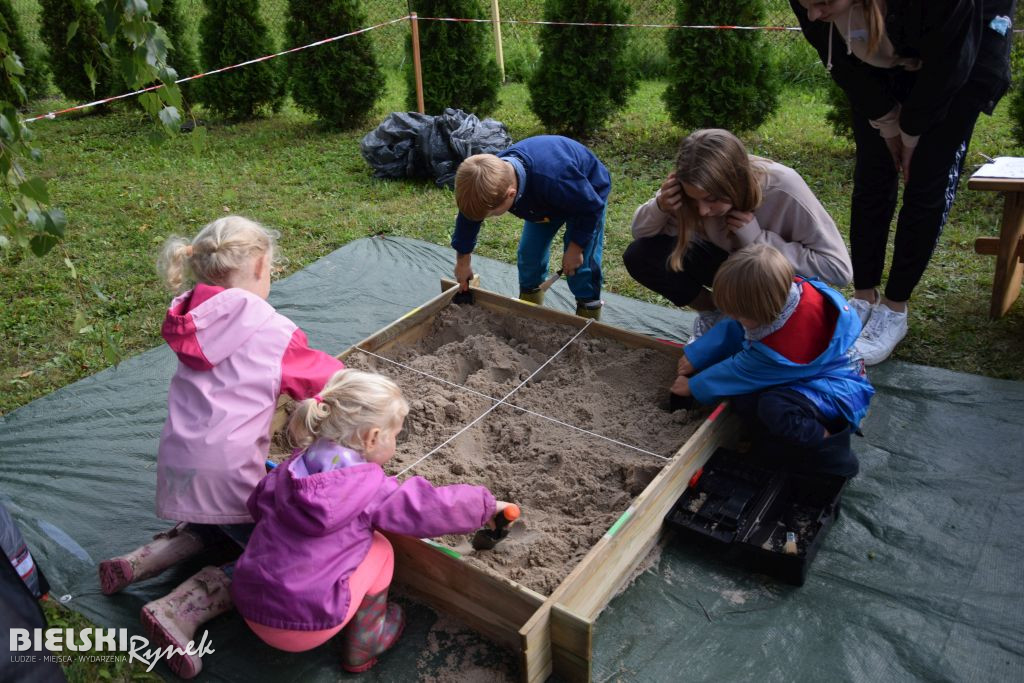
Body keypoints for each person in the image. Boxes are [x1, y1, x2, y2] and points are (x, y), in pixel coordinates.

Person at [97, 215, 345, 678]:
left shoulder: (190, 314)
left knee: (223, 513)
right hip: (228, 472)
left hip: (181, 461)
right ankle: (183, 608)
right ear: (259, 263)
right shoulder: (272, 331)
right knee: (276, 549)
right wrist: (361, 387)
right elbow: (325, 380)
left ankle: (146, 560)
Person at [230, 369, 513, 673]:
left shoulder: (287, 470)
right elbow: (428, 507)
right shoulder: (371, 490)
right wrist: (488, 505)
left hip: (248, 600)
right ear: (372, 438)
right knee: (380, 548)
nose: (396, 440)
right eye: (395, 434)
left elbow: (256, 507)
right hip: (307, 625)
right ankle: (367, 641)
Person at [790, 0, 1014, 364]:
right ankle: (863, 297)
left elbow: (950, 64)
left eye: (823, 3)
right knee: (872, 173)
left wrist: (911, 132)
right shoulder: (814, 6)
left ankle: (894, 308)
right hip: (879, 58)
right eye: (807, 5)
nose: (813, 13)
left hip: (959, 64)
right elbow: (841, 64)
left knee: (926, 181)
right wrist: (885, 120)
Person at [625, 128, 853, 343]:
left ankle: (757, 323)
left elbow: (838, 270)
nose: (703, 210)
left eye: (712, 199)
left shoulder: (783, 186)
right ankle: (718, 314)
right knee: (641, 255)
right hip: (729, 269)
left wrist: (758, 240)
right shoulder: (689, 187)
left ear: (736, 182)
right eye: (694, 199)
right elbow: (643, 237)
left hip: (778, 283)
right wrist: (660, 207)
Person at [672, 244, 874, 477]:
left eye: (738, 313)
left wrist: (693, 386)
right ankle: (766, 439)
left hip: (837, 390)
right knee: (746, 399)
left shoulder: (783, 346)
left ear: (762, 313)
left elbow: (740, 371)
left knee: (775, 407)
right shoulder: (778, 299)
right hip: (804, 371)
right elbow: (734, 325)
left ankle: (831, 450)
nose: (734, 317)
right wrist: (698, 355)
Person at [452, 135, 611, 319]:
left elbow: (591, 207)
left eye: (491, 214)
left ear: (511, 195)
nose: (487, 218)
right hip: (541, 204)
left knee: (581, 269)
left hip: (586, 198)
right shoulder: (484, 184)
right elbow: (469, 219)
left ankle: (588, 315)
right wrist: (463, 264)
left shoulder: (555, 179)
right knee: (529, 255)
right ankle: (529, 310)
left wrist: (576, 248)